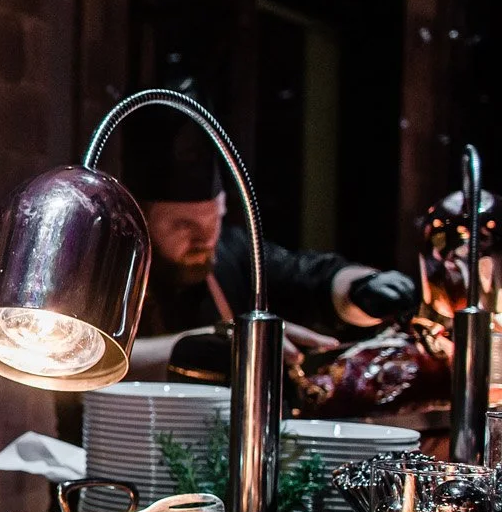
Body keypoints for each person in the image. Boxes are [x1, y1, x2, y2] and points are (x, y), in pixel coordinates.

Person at [123, 121, 419, 378]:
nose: (205, 239)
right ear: (141, 219)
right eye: (183, 226)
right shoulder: (111, 266)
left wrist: (358, 288)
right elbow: (87, 363)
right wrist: (211, 345)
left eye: (214, 219)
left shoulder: (232, 251)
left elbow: (306, 277)